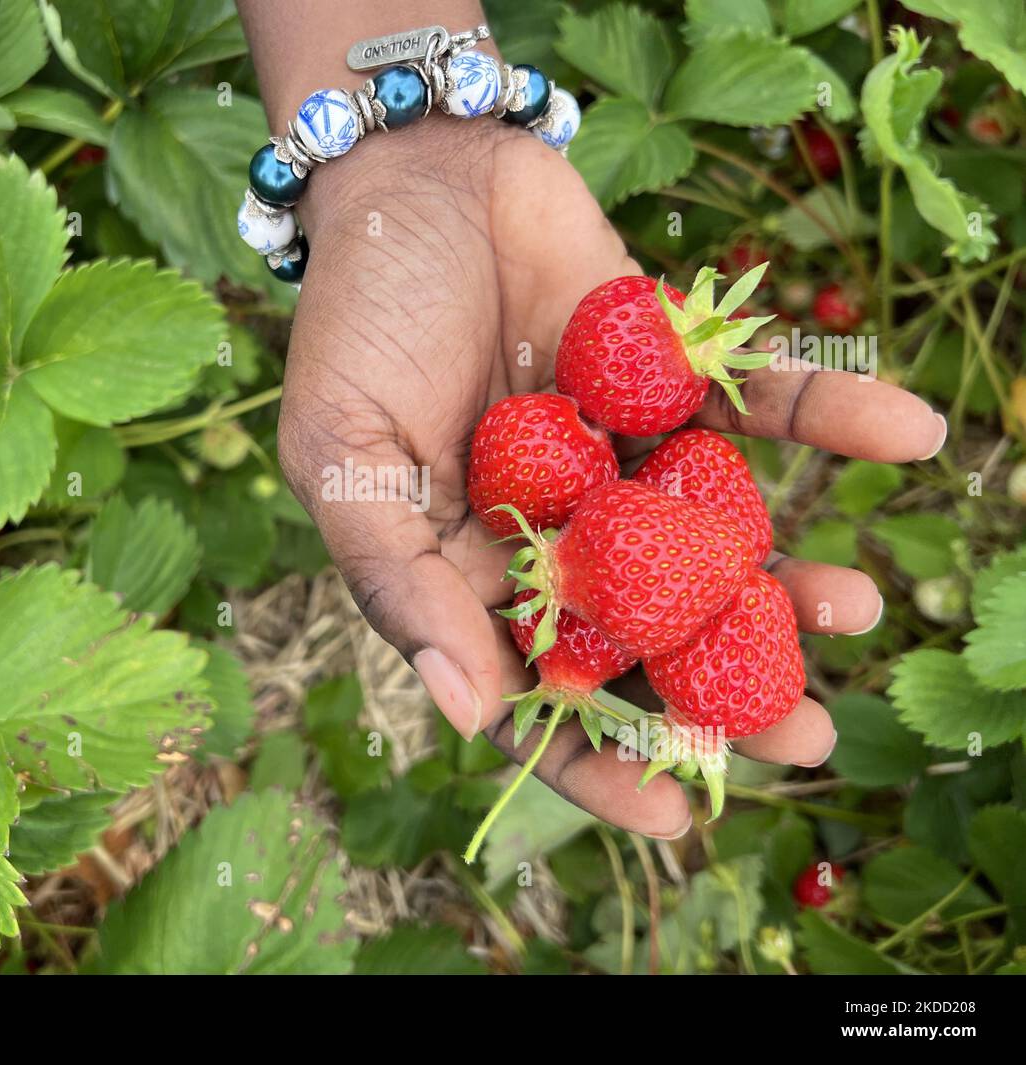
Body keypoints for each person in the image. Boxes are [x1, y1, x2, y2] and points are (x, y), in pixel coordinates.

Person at [236, 0, 947, 839]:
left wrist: (401, 163)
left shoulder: (622, 523)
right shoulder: (611, 535)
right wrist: (405, 175)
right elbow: (656, 549)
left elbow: (659, 546)